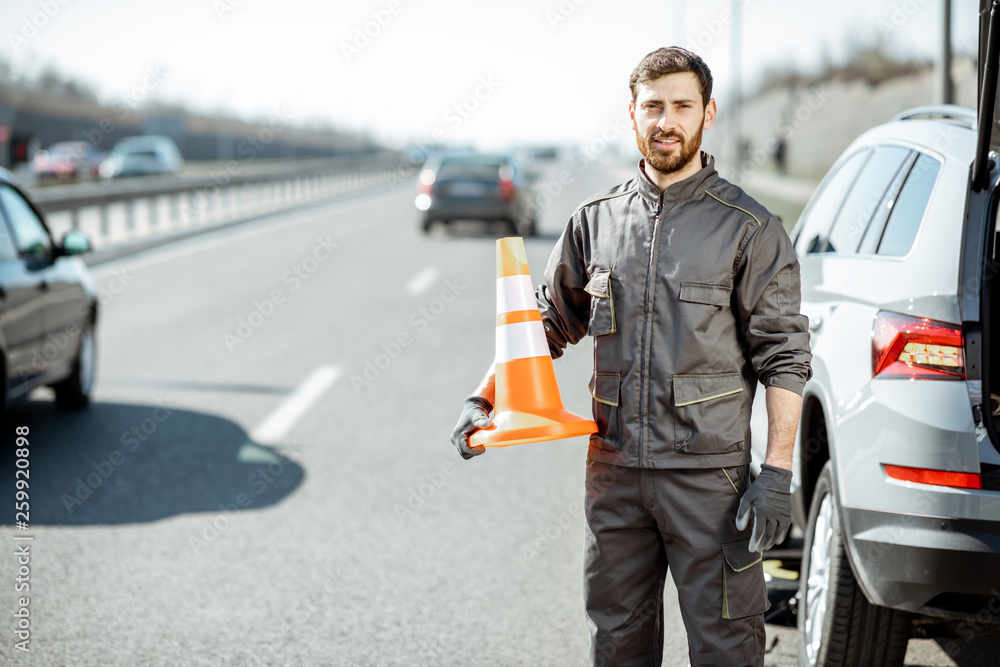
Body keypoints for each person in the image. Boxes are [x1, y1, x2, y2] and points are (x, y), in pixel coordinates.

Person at [451, 47, 811, 667]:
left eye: (681, 106)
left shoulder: (749, 228)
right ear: (632, 114)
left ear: (708, 113)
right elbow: (544, 327)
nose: (665, 121)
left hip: (710, 482)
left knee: (728, 647)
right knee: (617, 644)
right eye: (653, 107)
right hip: (614, 473)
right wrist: (485, 397)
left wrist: (777, 472)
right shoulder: (594, 223)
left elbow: (784, 357)